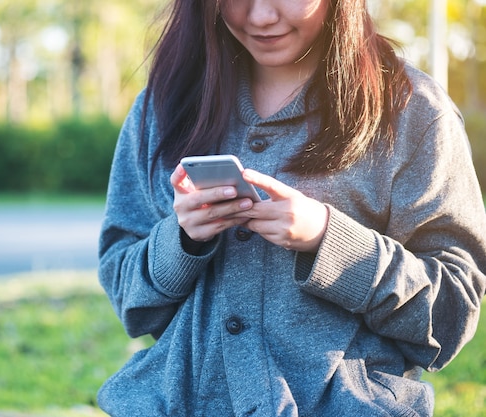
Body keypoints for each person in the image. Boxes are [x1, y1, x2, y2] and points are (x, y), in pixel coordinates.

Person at [97, 0, 486, 415]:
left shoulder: (414, 111)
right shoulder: (162, 107)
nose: (261, 16)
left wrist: (329, 240)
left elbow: (451, 314)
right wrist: (182, 241)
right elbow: (129, 301)